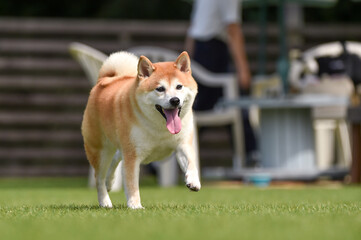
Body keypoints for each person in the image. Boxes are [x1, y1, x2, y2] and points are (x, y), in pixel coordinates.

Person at [185, 0, 257, 164]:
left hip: (201, 52)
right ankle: (251, 155)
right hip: (212, 52)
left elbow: (193, 30)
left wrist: (188, 63)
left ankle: (249, 154)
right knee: (231, 104)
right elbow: (233, 29)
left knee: (201, 109)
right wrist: (243, 69)